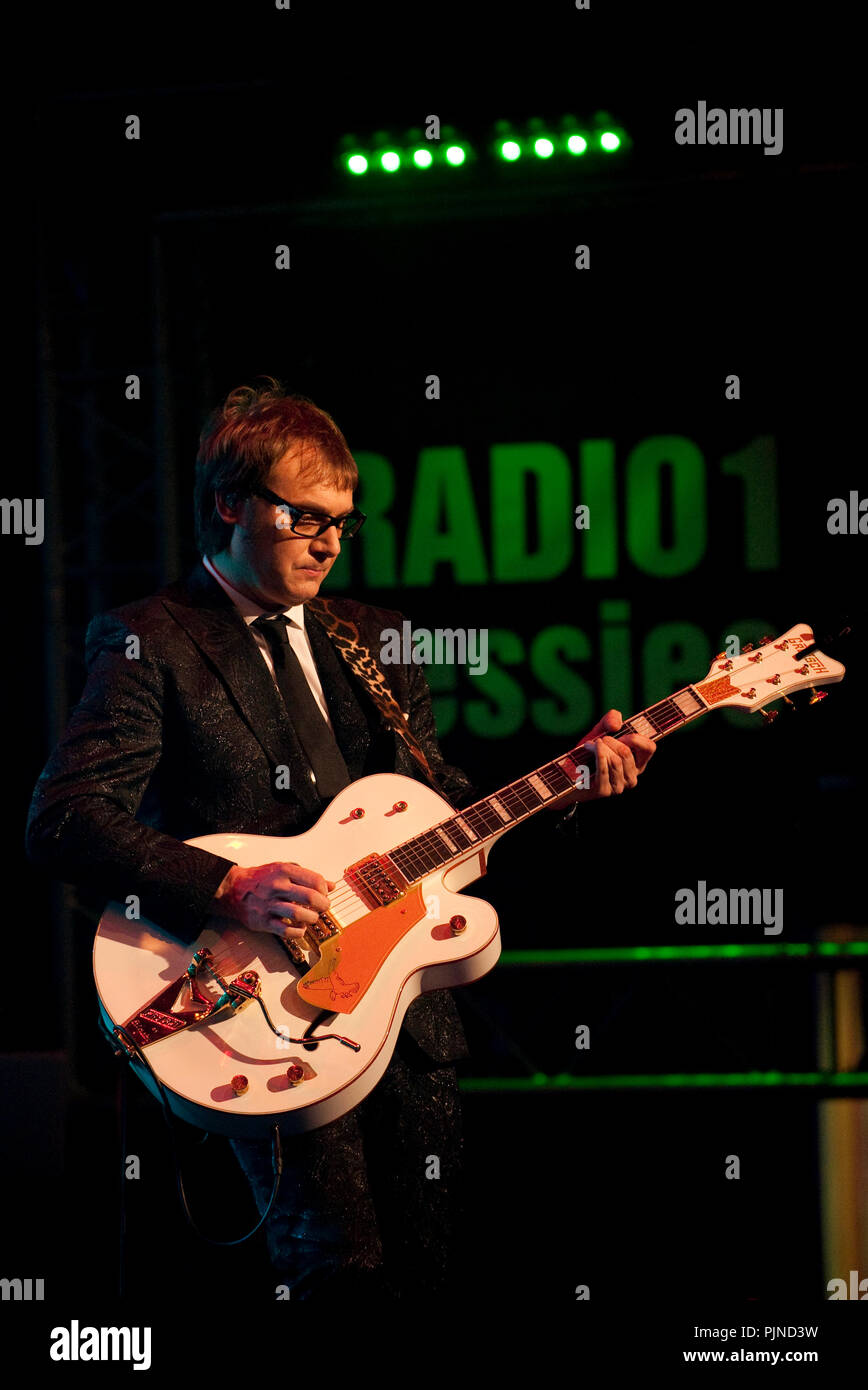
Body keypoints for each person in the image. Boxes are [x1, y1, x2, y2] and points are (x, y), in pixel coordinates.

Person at [25, 377, 656, 1300]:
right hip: (257, 1004)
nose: (328, 539)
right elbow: (63, 818)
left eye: (342, 521)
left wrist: (571, 782)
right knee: (337, 1274)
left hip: (402, 1011)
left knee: (428, 1271)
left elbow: (445, 822)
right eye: (303, 514)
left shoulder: (376, 638)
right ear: (230, 504)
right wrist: (226, 887)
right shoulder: (148, 639)